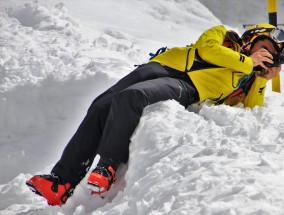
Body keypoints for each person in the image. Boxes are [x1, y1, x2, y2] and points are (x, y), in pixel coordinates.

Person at [26, 23, 284, 206]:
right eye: (264, 46)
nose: (266, 55)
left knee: (132, 97)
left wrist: (262, 79)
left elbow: (250, 110)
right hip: (160, 67)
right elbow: (207, 49)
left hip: (187, 86)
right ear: (252, 37)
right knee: (101, 105)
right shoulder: (223, 34)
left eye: (271, 56)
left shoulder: (247, 79)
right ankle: (62, 181)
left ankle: (108, 166)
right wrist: (248, 61)